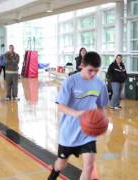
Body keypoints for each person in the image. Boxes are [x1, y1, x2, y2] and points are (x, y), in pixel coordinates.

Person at [48, 52, 109, 180]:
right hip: (68, 132)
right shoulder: (70, 82)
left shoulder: (100, 84)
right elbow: (60, 106)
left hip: (88, 132)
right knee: (61, 164)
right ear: (82, 66)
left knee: (88, 167)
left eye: (96, 71)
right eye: (90, 70)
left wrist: (102, 119)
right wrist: (77, 114)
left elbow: (101, 106)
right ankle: (53, 175)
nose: (93, 74)